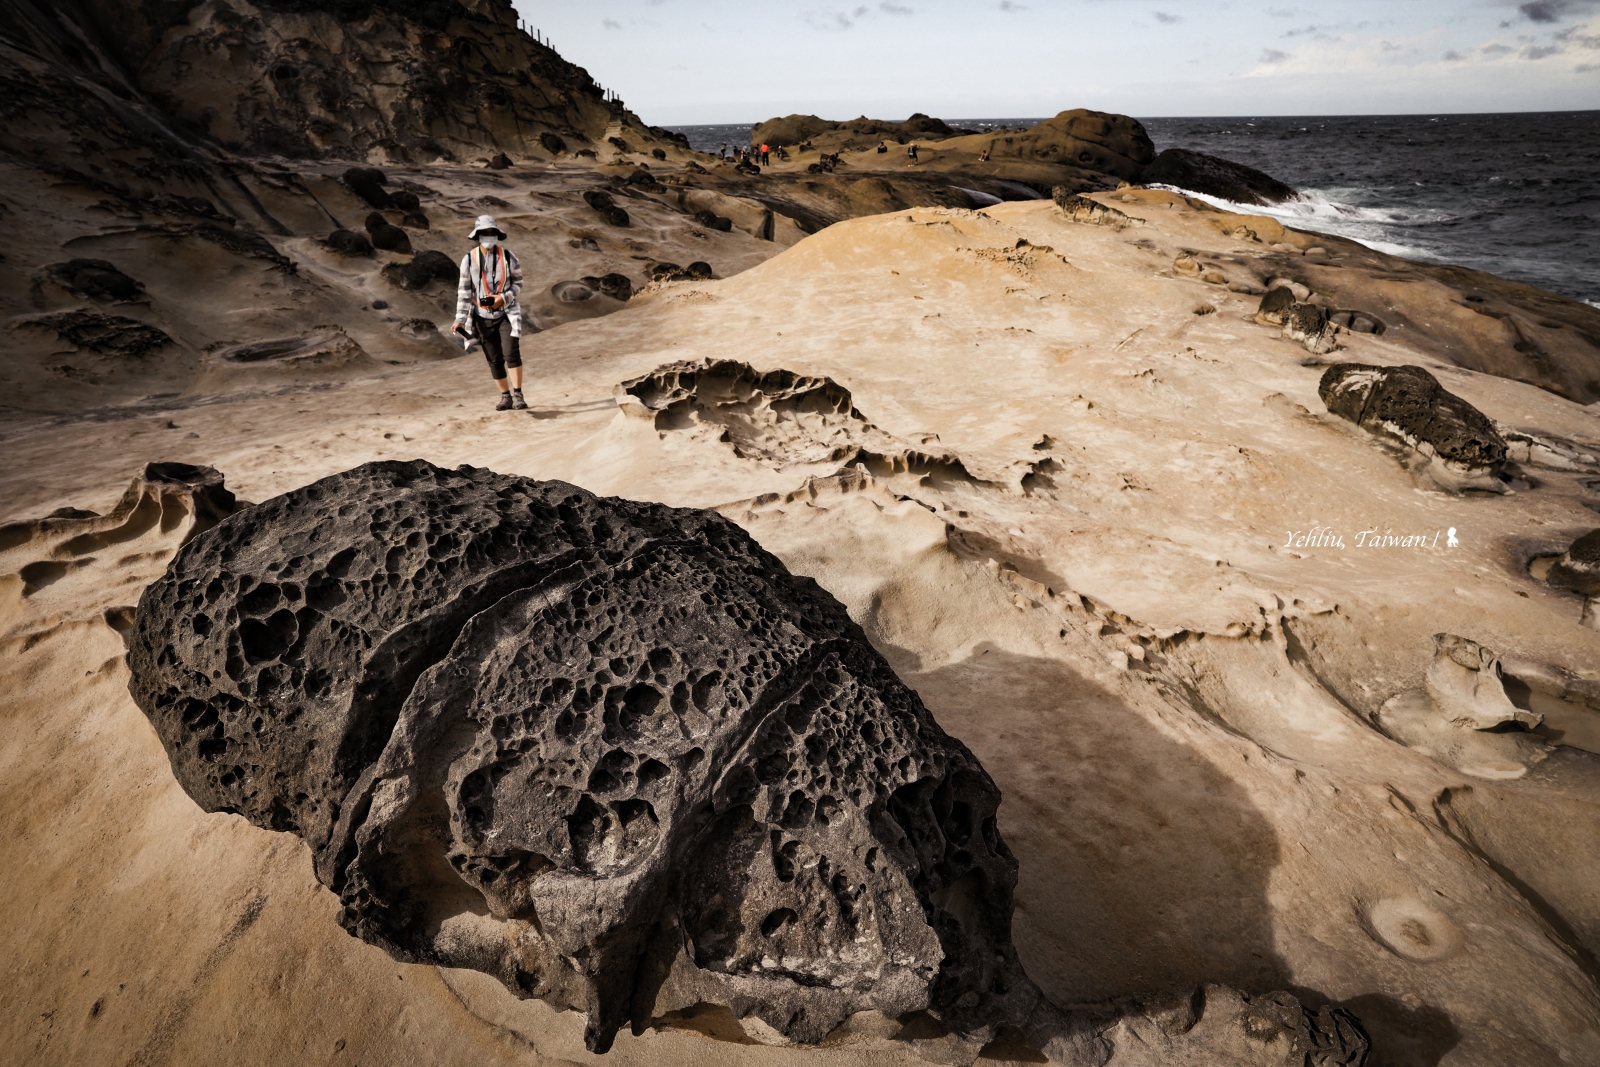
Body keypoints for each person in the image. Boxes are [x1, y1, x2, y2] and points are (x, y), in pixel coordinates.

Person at [452, 214, 526, 411]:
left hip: (506, 312)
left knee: (511, 353)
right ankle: (505, 397)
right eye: (485, 233)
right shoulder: (469, 260)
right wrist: (460, 319)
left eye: (492, 232)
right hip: (481, 316)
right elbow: (464, 291)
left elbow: (518, 283)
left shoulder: (508, 257)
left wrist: (504, 297)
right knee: (494, 359)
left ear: (497, 235)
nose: (488, 236)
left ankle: (518, 395)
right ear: (478, 235)